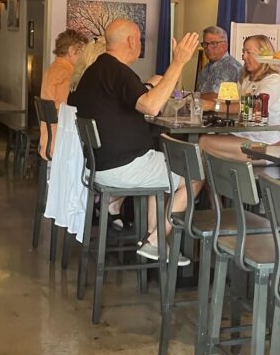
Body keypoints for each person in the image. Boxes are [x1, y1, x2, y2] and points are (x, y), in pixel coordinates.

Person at [69, 19, 200, 262]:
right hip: (123, 167)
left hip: (98, 167)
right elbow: (151, 105)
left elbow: (136, 101)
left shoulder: (96, 70)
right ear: (131, 41)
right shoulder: (118, 71)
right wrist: (179, 62)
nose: (139, 44)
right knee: (195, 174)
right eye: (139, 39)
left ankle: (153, 239)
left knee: (160, 166)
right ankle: (156, 241)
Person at [198, 35, 280, 160]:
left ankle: (195, 175)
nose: (244, 56)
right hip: (243, 136)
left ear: (264, 55)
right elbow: (231, 102)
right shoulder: (246, 78)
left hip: (265, 144)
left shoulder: (274, 80)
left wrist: (214, 106)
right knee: (206, 137)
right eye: (243, 52)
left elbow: (252, 107)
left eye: (249, 52)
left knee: (205, 142)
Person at [39, 29, 87, 158]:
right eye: (82, 53)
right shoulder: (67, 75)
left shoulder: (52, 69)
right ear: (71, 51)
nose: (84, 59)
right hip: (60, 142)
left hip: (47, 137)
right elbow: (66, 110)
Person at [196, 25, 241, 102]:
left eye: (214, 43)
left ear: (225, 45)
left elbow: (218, 97)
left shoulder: (231, 68)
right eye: (205, 44)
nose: (208, 48)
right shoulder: (205, 69)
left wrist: (193, 96)